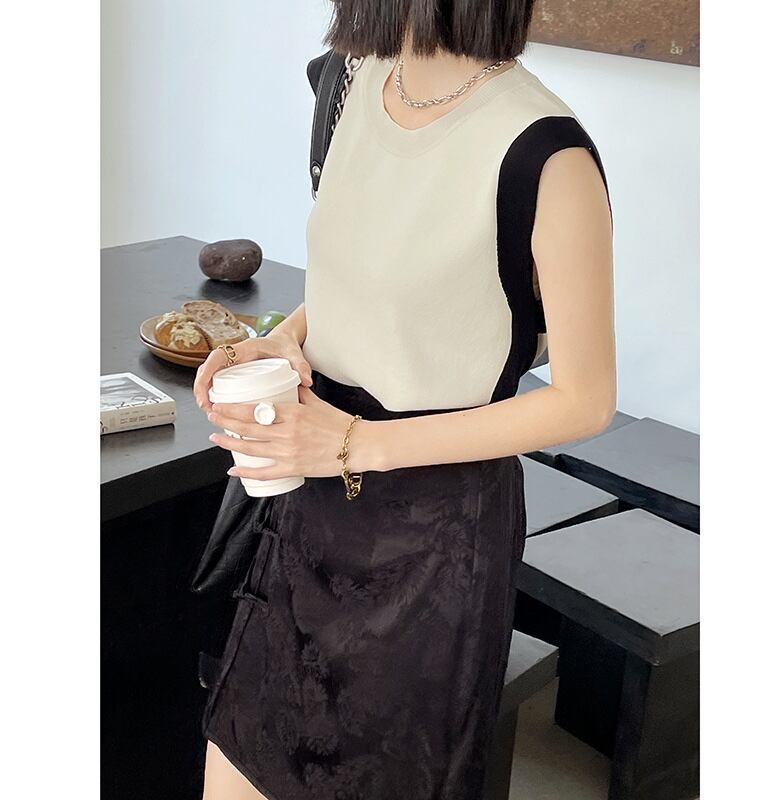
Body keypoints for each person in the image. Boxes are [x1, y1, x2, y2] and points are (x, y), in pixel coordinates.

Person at [195, 1, 615, 798]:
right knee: (239, 759)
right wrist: (286, 340)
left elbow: (585, 400)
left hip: (431, 545)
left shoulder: (547, 154)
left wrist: (354, 444)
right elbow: (363, 272)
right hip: (307, 506)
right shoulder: (360, 83)